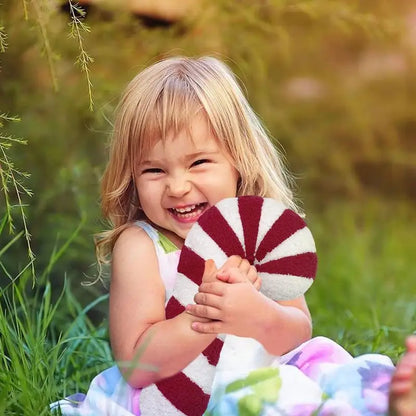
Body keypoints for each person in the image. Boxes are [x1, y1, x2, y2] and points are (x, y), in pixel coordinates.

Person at [50, 56, 416, 416]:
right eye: (154, 170)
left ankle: (386, 402)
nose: (177, 187)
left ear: (237, 160)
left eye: (198, 163)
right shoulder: (142, 246)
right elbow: (136, 364)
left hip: (269, 372)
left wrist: (257, 314)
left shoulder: (258, 234)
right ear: (132, 175)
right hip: (184, 394)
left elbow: (298, 332)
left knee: (336, 374)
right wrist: (209, 316)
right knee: (268, 399)